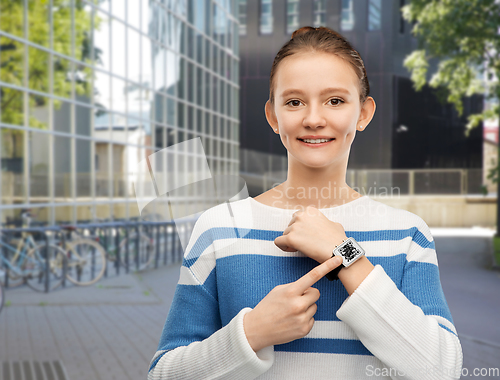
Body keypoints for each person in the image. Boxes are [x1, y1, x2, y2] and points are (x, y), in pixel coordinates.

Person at [148, 26, 463, 379]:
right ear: (273, 116)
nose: (313, 119)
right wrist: (251, 334)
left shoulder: (407, 234)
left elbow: (442, 368)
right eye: (294, 102)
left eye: (335, 100)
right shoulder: (218, 228)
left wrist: (346, 255)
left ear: (363, 113)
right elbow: (164, 372)